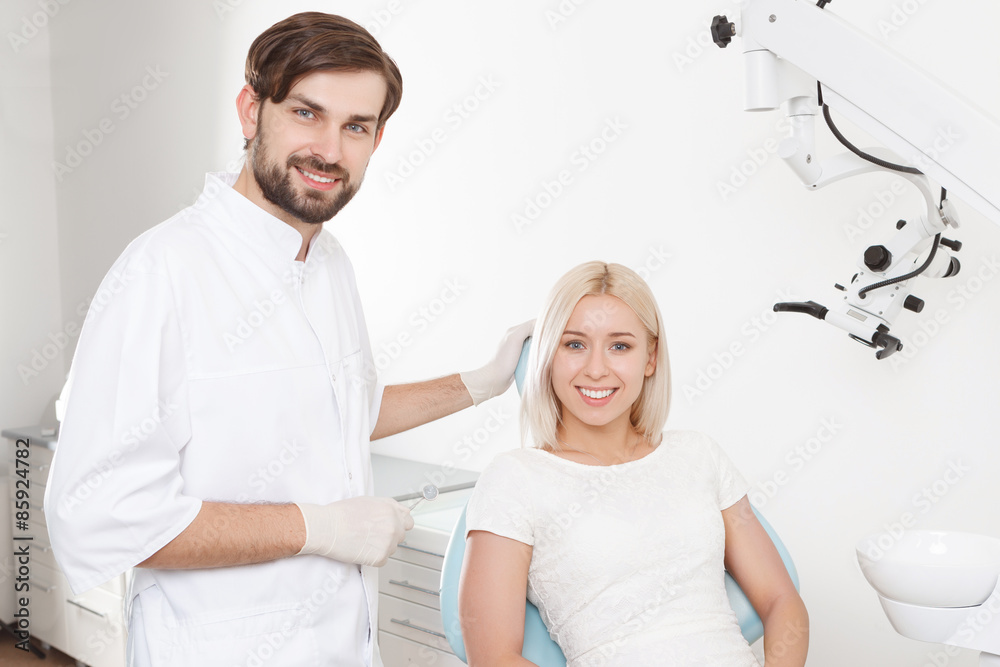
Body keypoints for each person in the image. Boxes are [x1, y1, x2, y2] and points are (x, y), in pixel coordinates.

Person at [43, 12, 531, 667]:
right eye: (307, 113)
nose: (330, 150)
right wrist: (321, 527)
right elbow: (99, 509)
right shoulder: (163, 273)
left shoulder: (329, 265)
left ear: (377, 139)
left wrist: (480, 382)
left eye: (355, 126)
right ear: (252, 111)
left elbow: (339, 409)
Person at [459, 261, 808, 666]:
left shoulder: (698, 455)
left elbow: (783, 601)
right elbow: (493, 658)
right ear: (548, 356)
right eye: (574, 344)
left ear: (650, 358)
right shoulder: (515, 479)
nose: (595, 368)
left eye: (619, 346)